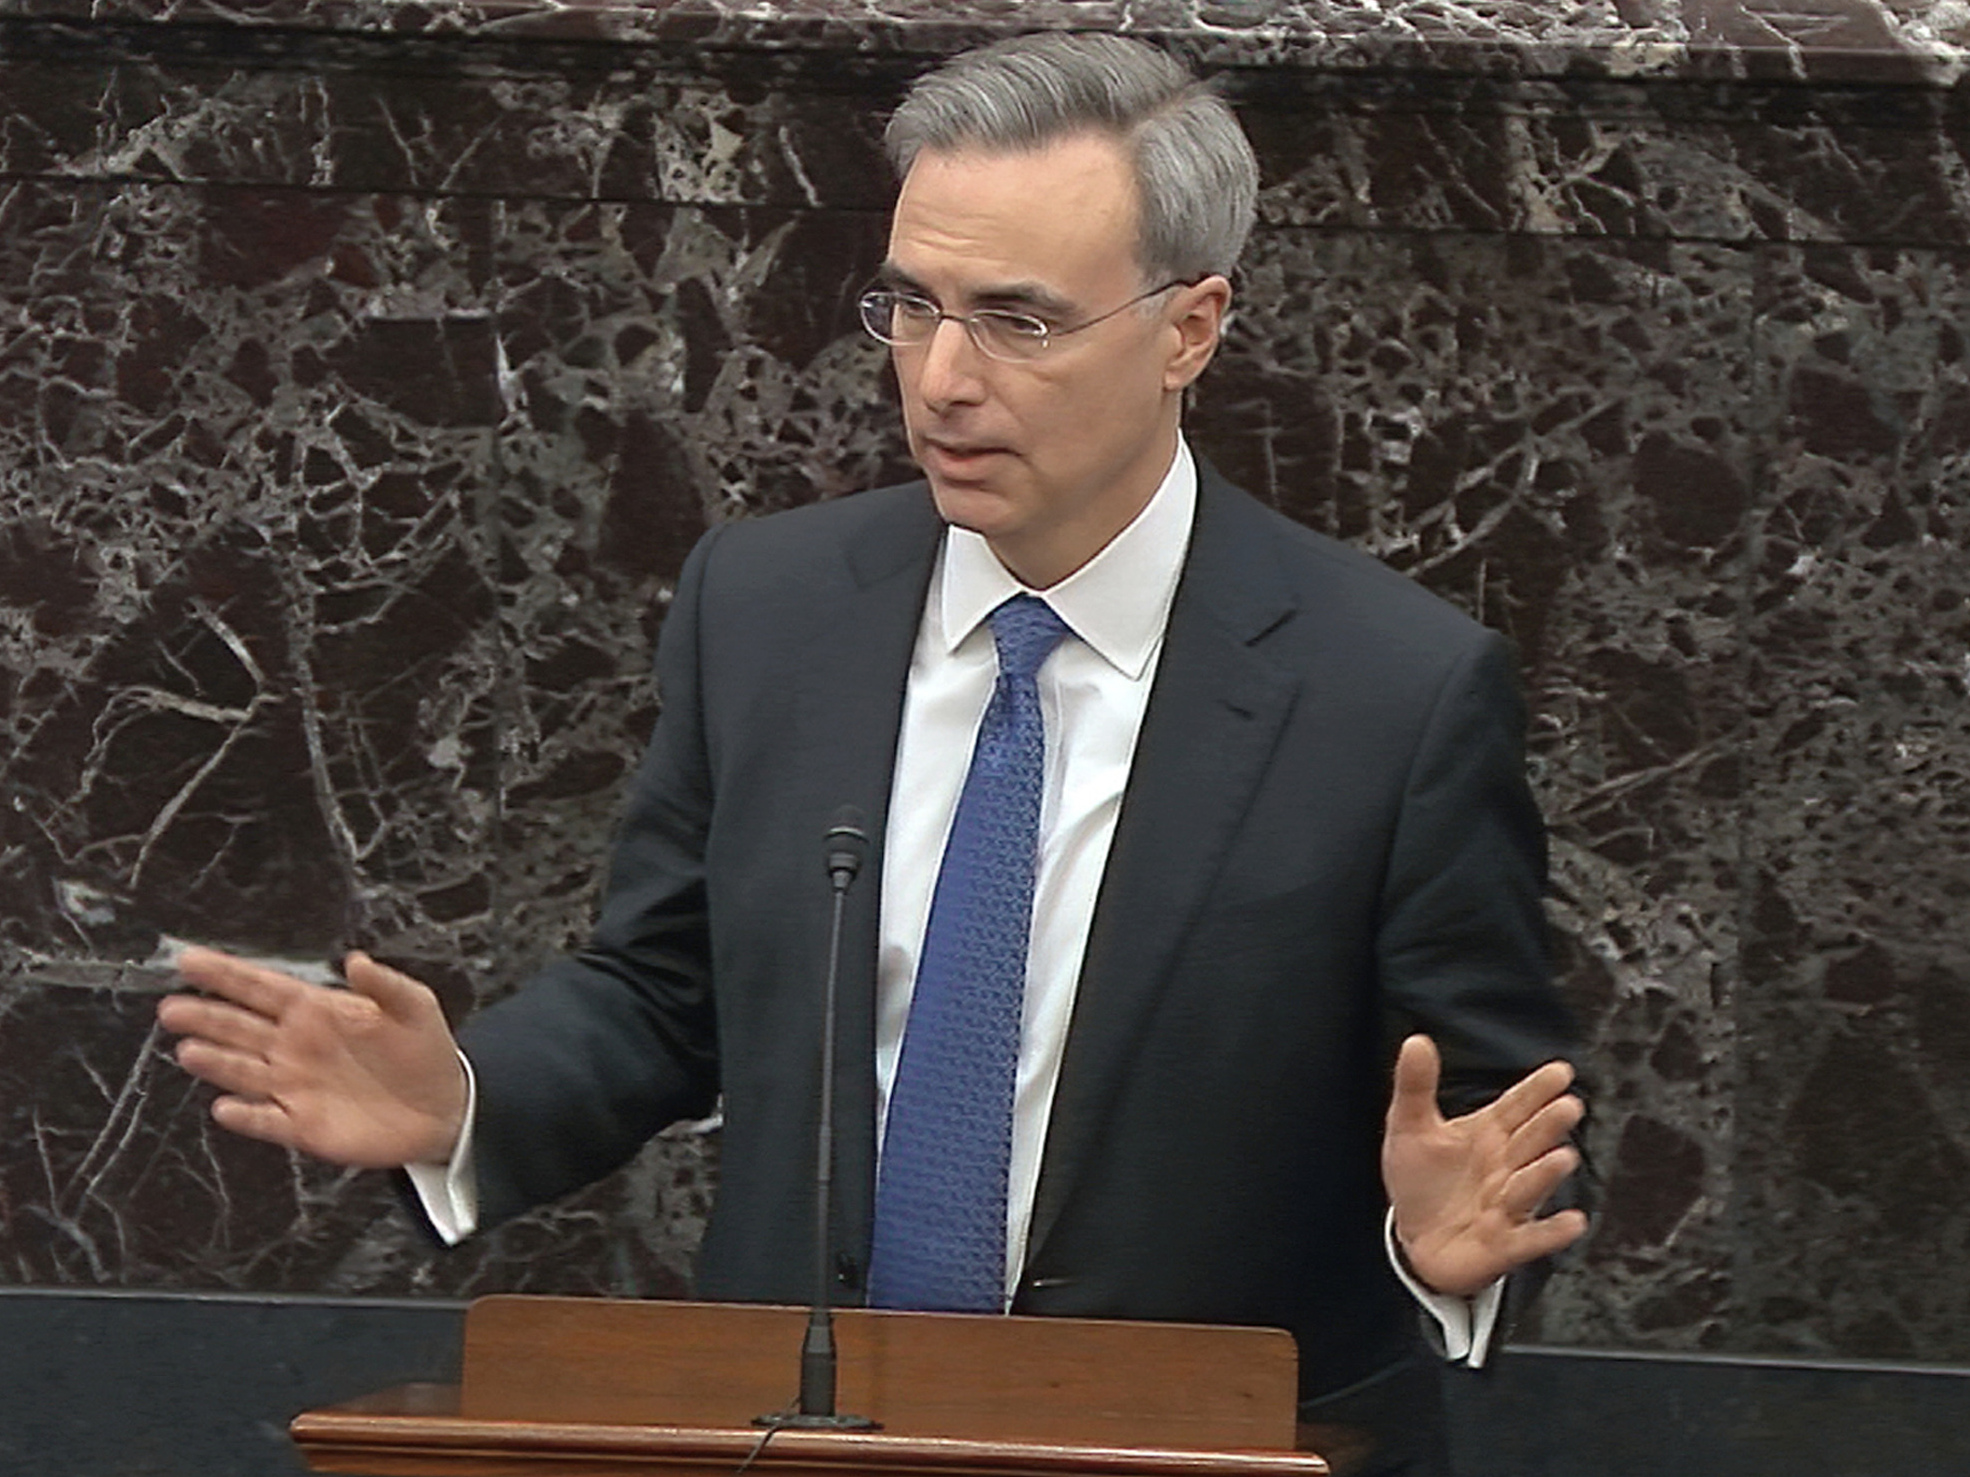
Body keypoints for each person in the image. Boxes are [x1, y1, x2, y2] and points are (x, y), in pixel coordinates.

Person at [158, 33, 1585, 1476]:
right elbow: (667, 985)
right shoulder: (768, 608)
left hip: (1208, 1445)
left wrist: (1443, 1248)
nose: (943, 381)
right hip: (794, 1430)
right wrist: (464, 1096)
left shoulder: (1389, 691)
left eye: (1017, 321)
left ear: (1188, 328)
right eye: (911, 307)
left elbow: (1478, 1119)